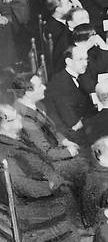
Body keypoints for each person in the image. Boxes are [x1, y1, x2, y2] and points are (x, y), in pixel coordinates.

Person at [0, 103, 80, 241]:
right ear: (3, 124)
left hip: (45, 203)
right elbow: (20, 184)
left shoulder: (17, 139)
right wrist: (52, 186)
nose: (20, 117)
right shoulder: (4, 150)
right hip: (35, 214)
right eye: (14, 118)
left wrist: (55, 179)